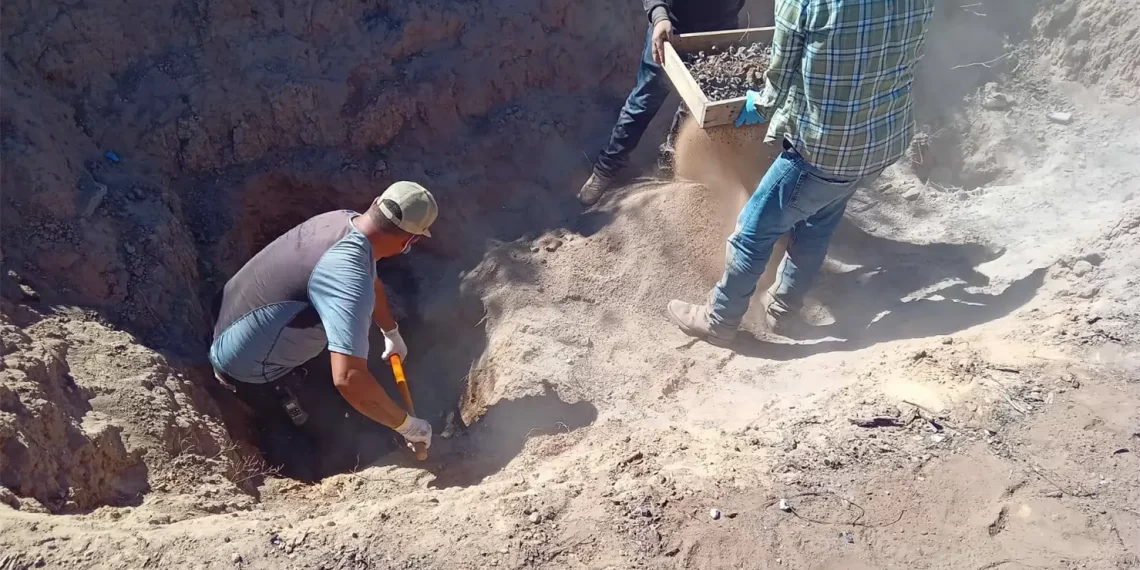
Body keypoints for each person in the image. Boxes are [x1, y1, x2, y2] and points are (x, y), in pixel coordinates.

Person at [667, 0, 936, 345]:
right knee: (817, 224)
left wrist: (758, 105)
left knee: (753, 230)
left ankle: (720, 318)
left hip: (823, 148)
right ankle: (782, 309)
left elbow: (778, 75)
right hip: (878, 141)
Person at [209, 181, 437, 480]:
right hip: (249, 370)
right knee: (333, 431)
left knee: (352, 372)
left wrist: (391, 332)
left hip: (235, 323)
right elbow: (348, 379)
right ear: (409, 242)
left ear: (376, 203)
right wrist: (406, 425)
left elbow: (371, 281)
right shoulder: (346, 275)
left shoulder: (344, 220)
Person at [577, 0, 746, 206]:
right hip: (670, 31)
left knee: (695, 106)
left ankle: (668, 161)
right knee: (644, 101)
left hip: (720, 34)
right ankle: (605, 170)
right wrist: (659, 16)